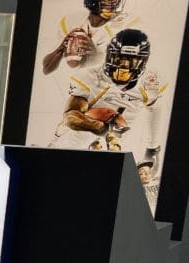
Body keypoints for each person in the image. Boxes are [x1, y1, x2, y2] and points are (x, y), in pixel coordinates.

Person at [50, 29, 164, 163]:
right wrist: (102, 128)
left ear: (143, 61)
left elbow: (155, 108)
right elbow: (71, 116)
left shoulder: (151, 81)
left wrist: (152, 147)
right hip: (83, 132)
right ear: (110, 55)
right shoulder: (90, 76)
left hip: (119, 142)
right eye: (119, 58)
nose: (124, 66)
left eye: (131, 61)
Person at [41, 0, 138, 75]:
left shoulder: (126, 25)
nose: (112, 2)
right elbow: (46, 69)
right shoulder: (71, 20)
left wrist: (96, 55)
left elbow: (123, 72)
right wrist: (62, 47)